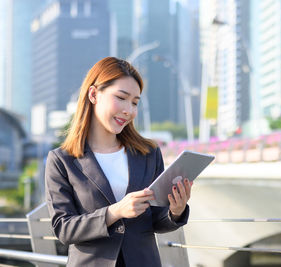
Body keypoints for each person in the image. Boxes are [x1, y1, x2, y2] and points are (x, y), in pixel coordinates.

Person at [45, 57, 192, 267]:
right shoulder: (62, 161)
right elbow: (63, 228)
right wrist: (115, 212)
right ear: (93, 94)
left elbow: (156, 220)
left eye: (134, 102)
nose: (129, 110)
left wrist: (176, 211)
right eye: (121, 98)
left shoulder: (148, 154)